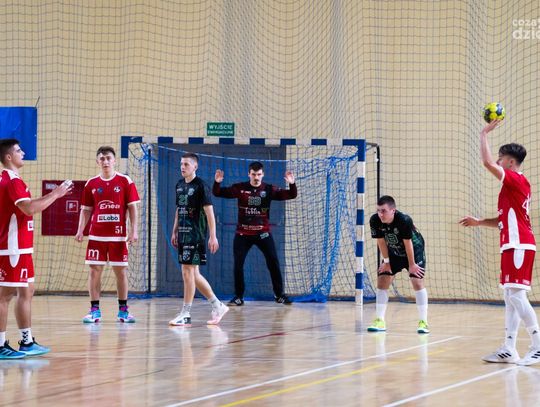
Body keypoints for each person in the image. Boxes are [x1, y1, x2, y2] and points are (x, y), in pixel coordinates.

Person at [459, 120, 540, 366]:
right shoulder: (511, 188)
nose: (497, 161)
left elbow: (486, 163)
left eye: (501, 158)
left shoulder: (515, 180)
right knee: (509, 296)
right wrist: (479, 222)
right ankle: (509, 348)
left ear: (511, 162)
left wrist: (484, 133)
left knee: (517, 296)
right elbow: (503, 220)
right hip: (511, 244)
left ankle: (537, 345)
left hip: (519, 245)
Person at [0, 138, 72, 359]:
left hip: (22, 247)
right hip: (12, 248)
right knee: (4, 295)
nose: (23, 153)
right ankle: (0, 345)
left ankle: (27, 341)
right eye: (18, 150)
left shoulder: (13, 180)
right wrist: (56, 194)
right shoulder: (11, 181)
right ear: (9, 157)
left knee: (27, 290)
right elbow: (29, 208)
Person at [213, 161, 297, 306]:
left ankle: (279, 295)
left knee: (273, 262)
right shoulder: (240, 188)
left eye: (259, 174)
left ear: (263, 174)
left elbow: (291, 195)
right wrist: (217, 182)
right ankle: (238, 297)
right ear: (249, 174)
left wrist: (292, 184)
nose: (256, 177)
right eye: (253, 174)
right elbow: (217, 193)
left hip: (263, 233)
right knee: (238, 265)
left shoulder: (269, 189)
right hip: (243, 234)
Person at [75, 146, 140, 323]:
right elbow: (86, 210)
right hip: (97, 236)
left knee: (121, 272)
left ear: (114, 160)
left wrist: (134, 230)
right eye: (102, 158)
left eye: (108, 158)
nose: (105, 161)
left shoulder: (125, 181)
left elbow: (133, 208)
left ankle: (123, 311)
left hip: (118, 237)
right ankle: (94, 310)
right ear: (97, 161)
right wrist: (80, 230)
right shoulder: (91, 184)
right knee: (94, 271)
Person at [169, 152, 228, 326]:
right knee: (193, 274)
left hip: (195, 235)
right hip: (183, 234)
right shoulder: (179, 185)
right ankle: (217, 305)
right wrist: (174, 231)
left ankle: (186, 313)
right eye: (181, 164)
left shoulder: (201, 186)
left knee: (187, 271)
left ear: (195, 166)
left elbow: (209, 212)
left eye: (186, 164)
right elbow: (179, 209)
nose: (182, 167)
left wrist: (213, 236)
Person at [368, 195, 429, 334]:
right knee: (383, 279)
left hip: (414, 250)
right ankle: (379, 320)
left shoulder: (404, 220)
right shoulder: (375, 220)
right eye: (378, 210)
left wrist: (412, 264)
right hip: (394, 251)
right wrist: (387, 262)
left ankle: (423, 322)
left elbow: (408, 244)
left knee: (417, 281)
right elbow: (381, 241)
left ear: (393, 210)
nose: (380, 214)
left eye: (383, 211)